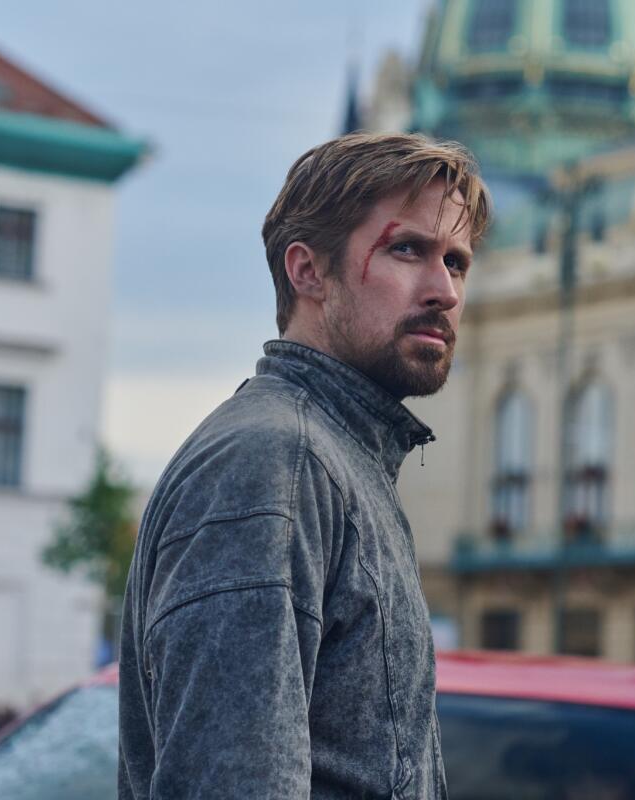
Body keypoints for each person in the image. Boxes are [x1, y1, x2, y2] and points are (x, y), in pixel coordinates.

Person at [118, 132, 490, 799]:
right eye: (408, 249)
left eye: (457, 262)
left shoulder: (338, 461)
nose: (444, 290)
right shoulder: (276, 464)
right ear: (307, 272)